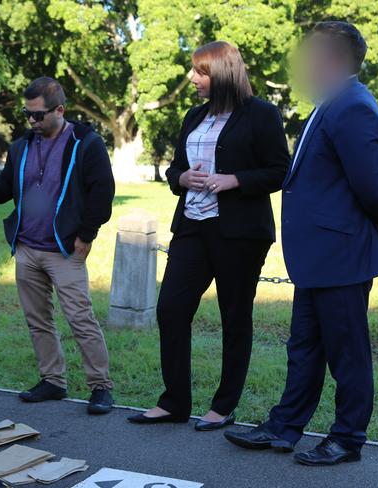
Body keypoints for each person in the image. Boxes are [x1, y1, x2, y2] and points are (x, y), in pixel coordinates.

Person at [224, 21, 378, 466]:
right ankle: (284, 427)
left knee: (347, 354)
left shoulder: (353, 105)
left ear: (334, 59)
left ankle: (348, 438)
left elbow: (373, 190)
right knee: (304, 348)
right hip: (319, 256)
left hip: (342, 256)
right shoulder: (332, 103)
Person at [128, 42, 290, 430]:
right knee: (170, 309)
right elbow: (175, 171)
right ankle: (174, 402)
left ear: (223, 74)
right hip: (191, 227)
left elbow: (280, 170)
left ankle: (223, 406)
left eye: (200, 73)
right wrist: (180, 178)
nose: (192, 79)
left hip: (240, 235)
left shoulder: (262, 115)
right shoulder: (194, 116)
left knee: (234, 318)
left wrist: (234, 179)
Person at [0, 77, 116, 414]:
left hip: (65, 249)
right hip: (27, 248)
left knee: (80, 318)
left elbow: (101, 194)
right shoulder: (21, 146)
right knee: (38, 320)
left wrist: (86, 236)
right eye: (27, 114)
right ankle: (53, 381)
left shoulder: (86, 143)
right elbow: (4, 192)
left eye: (38, 115)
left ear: (60, 110)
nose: (32, 121)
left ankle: (101, 387)